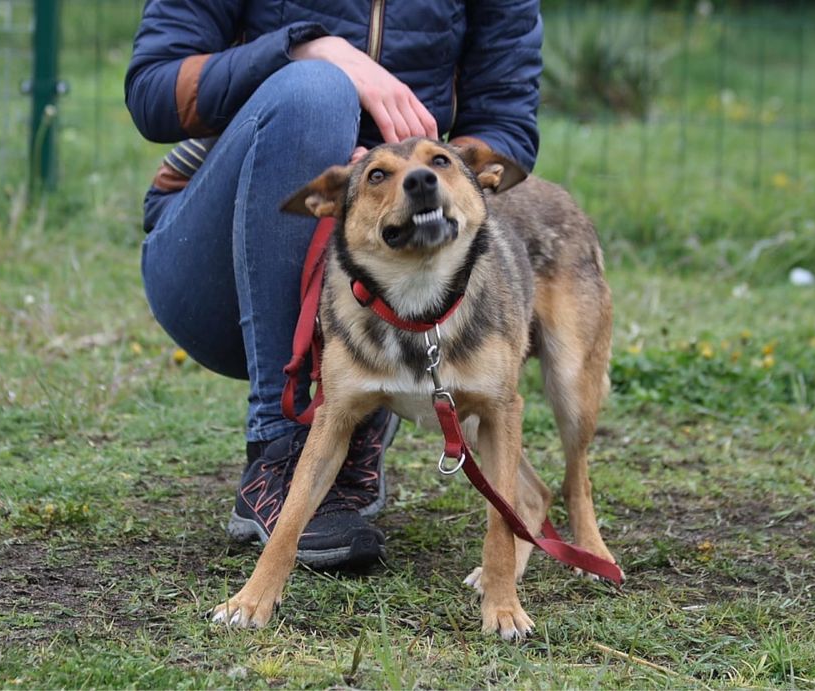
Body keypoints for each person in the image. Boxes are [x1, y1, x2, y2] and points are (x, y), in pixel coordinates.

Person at [125, 0, 543, 569]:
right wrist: (306, 48)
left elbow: (506, 127)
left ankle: (355, 422)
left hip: (386, 260)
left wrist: (414, 180)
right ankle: (281, 448)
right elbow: (153, 90)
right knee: (315, 91)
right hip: (210, 268)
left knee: (386, 176)